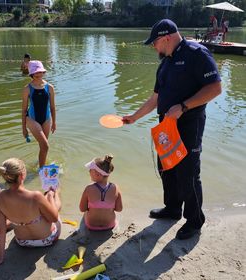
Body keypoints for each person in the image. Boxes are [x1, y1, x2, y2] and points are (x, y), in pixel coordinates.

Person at [123, 19, 222, 240]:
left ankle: (195, 220)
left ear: (166, 38)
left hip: (190, 123)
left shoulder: (197, 54)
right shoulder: (165, 63)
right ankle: (173, 208)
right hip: (166, 125)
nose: (153, 47)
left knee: (188, 173)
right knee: (167, 168)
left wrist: (184, 106)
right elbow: (156, 98)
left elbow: (215, 88)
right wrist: (133, 117)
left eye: (155, 43)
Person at [0, 158, 61, 271]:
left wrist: (0, 257)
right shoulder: (35, 196)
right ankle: (54, 193)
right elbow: (54, 217)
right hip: (47, 240)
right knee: (52, 203)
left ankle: (49, 198)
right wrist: (52, 195)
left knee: (35, 210)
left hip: (22, 242)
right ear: (22, 175)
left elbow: (1, 231)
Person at [22, 60, 56, 169]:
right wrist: (24, 128)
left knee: (43, 146)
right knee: (46, 145)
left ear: (43, 72)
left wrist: (54, 122)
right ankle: (42, 171)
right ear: (31, 74)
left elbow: (52, 107)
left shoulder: (49, 87)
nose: (38, 74)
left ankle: (40, 164)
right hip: (32, 119)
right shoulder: (27, 89)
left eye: (40, 72)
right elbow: (23, 110)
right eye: (36, 72)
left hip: (46, 119)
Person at [79, 154, 123, 231]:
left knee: (86, 213)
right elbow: (119, 209)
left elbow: (82, 209)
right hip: (110, 225)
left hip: (91, 225)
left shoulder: (89, 188)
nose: (89, 172)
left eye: (90, 170)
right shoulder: (116, 188)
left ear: (98, 174)